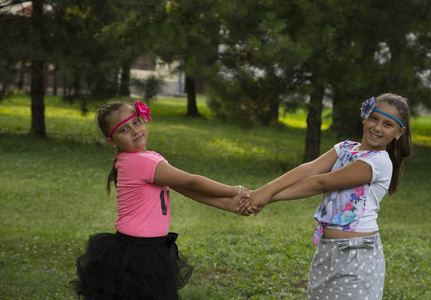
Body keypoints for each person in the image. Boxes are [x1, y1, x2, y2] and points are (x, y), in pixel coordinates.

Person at [73, 100, 250, 300]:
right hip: (138, 252)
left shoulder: (147, 158)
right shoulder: (140, 162)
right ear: (111, 141)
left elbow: (182, 187)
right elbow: (191, 182)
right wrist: (236, 190)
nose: (134, 131)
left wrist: (227, 204)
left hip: (145, 248)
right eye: (124, 129)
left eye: (136, 122)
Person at [244, 93, 412, 299]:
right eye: (374, 118)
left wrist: (267, 196)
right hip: (327, 250)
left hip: (357, 255)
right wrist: (264, 191)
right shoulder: (345, 148)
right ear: (365, 117)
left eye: (387, 124)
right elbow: (308, 170)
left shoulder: (379, 161)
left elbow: (320, 182)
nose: (377, 128)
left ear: (399, 132)